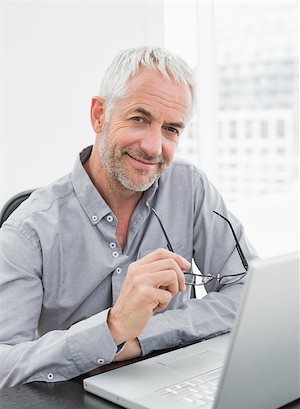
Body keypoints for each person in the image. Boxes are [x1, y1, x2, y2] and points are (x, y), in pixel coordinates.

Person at [0, 47, 256, 388]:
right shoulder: (28, 229)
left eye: (171, 129)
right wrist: (113, 328)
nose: (153, 146)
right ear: (99, 115)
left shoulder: (189, 187)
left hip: (173, 385)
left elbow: (250, 293)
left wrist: (139, 338)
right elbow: (5, 364)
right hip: (73, 408)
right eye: (139, 119)